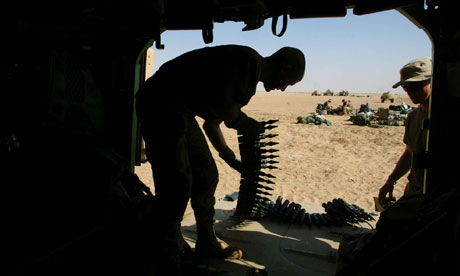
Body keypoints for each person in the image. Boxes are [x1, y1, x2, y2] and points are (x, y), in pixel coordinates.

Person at [136, 45, 305, 274]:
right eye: (288, 82)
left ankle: (206, 241)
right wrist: (247, 125)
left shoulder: (249, 74)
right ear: (285, 67)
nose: (283, 89)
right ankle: (166, 255)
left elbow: (213, 122)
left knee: (206, 174)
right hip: (160, 103)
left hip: (181, 109)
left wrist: (232, 159)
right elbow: (227, 110)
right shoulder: (250, 63)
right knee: (176, 186)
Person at [378, 56, 432, 206]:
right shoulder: (413, 117)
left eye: (416, 86)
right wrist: (391, 180)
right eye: (406, 88)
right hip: (415, 190)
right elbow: (409, 153)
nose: (410, 92)